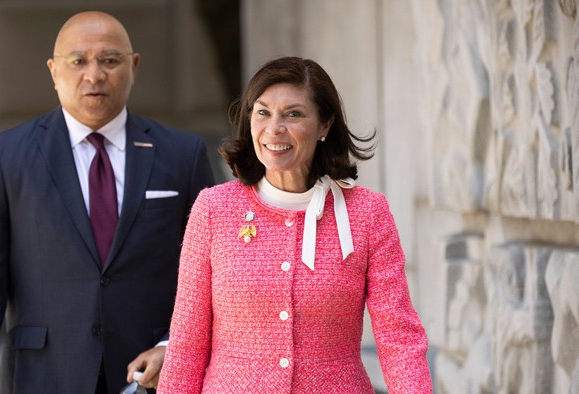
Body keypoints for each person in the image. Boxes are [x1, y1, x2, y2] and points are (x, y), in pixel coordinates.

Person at [0, 10, 215, 394]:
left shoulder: (181, 154)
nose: (94, 75)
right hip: (44, 375)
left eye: (110, 60)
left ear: (134, 66)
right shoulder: (5, 157)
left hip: (152, 378)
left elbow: (212, 274)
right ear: (54, 71)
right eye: (78, 62)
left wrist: (172, 347)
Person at [157, 56, 432, 393]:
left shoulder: (367, 213)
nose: (274, 129)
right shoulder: (214, 210)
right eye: (263, 112)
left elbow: (398, 337)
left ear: (324, 125)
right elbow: (187, 343)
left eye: (293, 114)